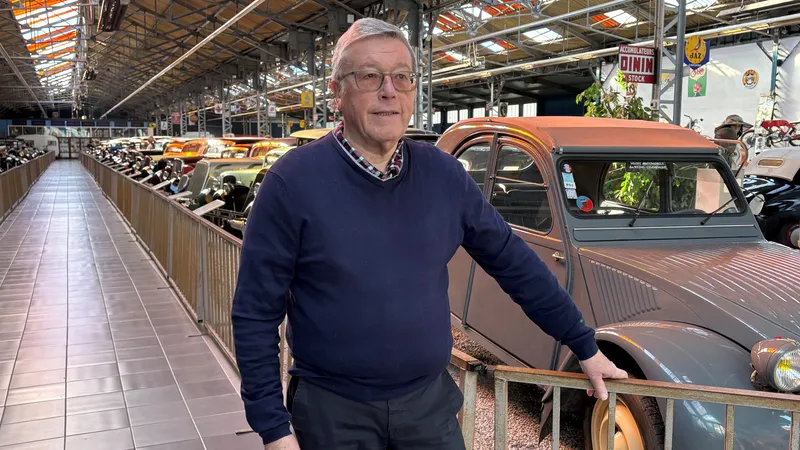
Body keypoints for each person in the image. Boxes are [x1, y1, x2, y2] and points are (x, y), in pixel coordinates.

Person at [231, 17, 627, 450]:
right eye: (369, 76)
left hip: (429, 409)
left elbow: (514, 263)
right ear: (337, 92)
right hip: (332, 415)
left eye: (402, 77)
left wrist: (583, 346)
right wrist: (274, 429)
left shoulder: (443, 174)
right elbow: (255, 313)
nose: (389, 91)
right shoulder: (292, 183)